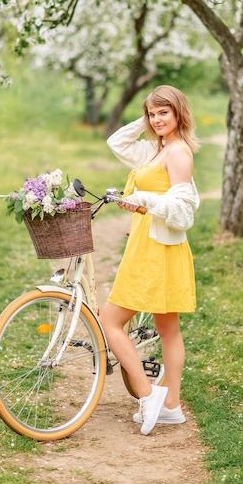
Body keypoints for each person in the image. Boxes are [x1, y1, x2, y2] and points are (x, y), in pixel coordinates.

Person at [99, 85, 200, 436]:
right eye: (152, 113)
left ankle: (147, 395)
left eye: (164, 113)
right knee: (167, 327)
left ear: (178, 114)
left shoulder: (178, 153)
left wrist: (143, 200)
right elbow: (117, 142)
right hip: (148, 245)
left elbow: (184, 210)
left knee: (110, 320)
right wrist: (146, 122)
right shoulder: (155, 150)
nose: (157, 119)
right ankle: (171, 405)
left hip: (158, 252)